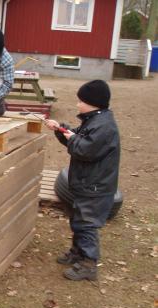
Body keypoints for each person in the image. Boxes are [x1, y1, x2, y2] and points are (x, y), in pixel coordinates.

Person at [45, 80, 120, 281]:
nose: (78, 105)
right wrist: (60, 129)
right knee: (78, 221)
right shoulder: (95, 120)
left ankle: (89, 264)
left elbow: (85, 149)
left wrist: (70, 137)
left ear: (93, 103)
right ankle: (78, 253)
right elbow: (78, 136)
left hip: (95, 187)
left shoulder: (105, 127)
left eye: (81, 101)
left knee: (87, 225)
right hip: (86, 184)